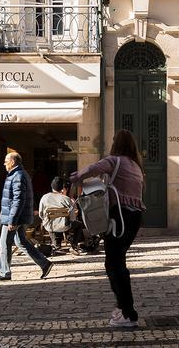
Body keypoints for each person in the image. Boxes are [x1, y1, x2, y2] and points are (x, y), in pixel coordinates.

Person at [71, 130, 147, 328]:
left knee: (116, 264)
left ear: (117, 144)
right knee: (114, 262)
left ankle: (128, 313)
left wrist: (77, 175)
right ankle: (123, 308)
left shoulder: (115, 161)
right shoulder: (136, 165)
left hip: (119, 218)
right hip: (134, 217)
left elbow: (93, 168)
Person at [0, 152, 52, 281]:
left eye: (6, 161)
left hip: (14, 217)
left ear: (12, 162)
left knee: (4, 243)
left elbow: (18, 200)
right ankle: (44, 263)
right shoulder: (18, 174)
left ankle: (4, 273)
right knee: (21, 241)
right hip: (17, 215)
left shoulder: (17, 175)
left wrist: (12, 220)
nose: (4, 164)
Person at [38, 176, 74, 253]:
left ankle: (56, 245)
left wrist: (45, 220)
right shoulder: (66, 199)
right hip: (64, 226)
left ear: (51, 186)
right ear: (62, 188)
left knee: (51, 223)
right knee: (74, 224)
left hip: (50, 225)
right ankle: (74, 244)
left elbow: (40, 214)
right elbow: (72, 216)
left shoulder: (44, 197)